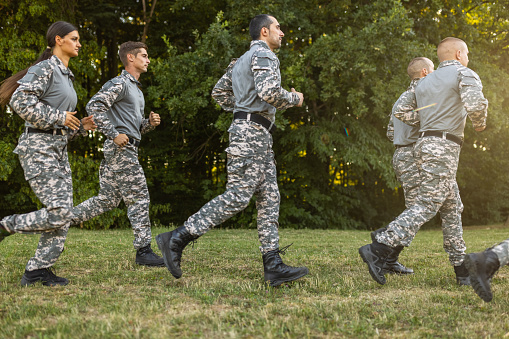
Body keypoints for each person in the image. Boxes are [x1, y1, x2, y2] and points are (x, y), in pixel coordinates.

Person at [156, 14, 309, 287]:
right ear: (264, 31)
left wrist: (242, 107)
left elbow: (218, 93)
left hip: (257, 134)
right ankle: (177, 237)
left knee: (269, 199)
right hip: (250, 134)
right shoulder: (264, 56)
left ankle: (273, 265)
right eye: (278, 28)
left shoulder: (240, 62)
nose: (282, 32)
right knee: (238, 197)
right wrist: (294, 99)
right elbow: (271, 93)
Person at [359, 37, 488, 285]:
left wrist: (427, 121)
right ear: (460, 54)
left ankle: (462, 270)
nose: (468, 57)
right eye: (468, 53)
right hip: (443, 146)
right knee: (429, 204)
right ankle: (380, 245)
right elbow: (475, 104)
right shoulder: (465, 73)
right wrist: (480, 124)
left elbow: (400, 111)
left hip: (424, 145)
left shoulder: (423, 82)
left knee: (452, 207)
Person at [0, 21, 96, 286]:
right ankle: (6, 224)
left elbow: (60, 124)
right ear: (58, 40)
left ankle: (37, 271)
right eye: (74, 38)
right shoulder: (45, 69)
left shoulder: (66, 75)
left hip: (58, 150)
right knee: (60, 212)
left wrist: (80, 127)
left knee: (62, 217)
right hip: (38, 149)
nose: (78, 43)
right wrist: (59, 116)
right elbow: (20, 102)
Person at [70, 41, 164, 267]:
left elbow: (132, 126)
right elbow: (94, 106)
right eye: (144, 55)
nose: (148, 60)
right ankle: (143, 251)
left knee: (107, 200)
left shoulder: (136, 90)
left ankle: (60, 220)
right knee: (139, 197)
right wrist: (113, 134)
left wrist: (148, 123)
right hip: (121, 149)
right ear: (130, 58)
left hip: (125, 147)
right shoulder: (120, 83)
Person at [372, 57, 435, 275]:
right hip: (412, 154)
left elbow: (390, 132)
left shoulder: (402, 97)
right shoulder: (420, 94)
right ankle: (384, 244)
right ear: (425, 72)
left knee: (417, 209)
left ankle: (389, 254)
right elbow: (419, 118)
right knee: (418, 209)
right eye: (434, 71)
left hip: (401, 153)